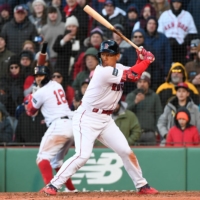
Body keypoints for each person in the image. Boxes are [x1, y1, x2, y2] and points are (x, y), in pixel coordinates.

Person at [41, 40, 158, 195]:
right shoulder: (103, 71)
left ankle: (142, 185)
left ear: (117, 56)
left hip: (106, 120)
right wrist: (147, 60)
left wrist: (140, 59)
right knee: (83, 156)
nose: (105, 58)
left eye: (109, 55)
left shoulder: (120, 68)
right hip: (87, 118)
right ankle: (53, 185)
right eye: (103, 54)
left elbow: (135, 71)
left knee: (125, 150)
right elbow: (133, 76)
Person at [25, 65, 76, 192]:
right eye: (36, 76)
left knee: (42, 158)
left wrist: (31, 99)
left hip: (58, 126)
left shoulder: (40, 92)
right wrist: (35, 96)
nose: (38, 78)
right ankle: (71, 189)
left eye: (41, 75)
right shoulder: (57, 85)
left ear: (47, 76)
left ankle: (50, 188)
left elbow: (31, 112)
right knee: (56, 162)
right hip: (71, 125)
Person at [126, 71, 162, 145]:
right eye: (139, 82)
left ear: (148, 83)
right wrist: (135, 102)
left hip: (150, 133)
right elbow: (125, 113)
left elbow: (158, 114)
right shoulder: (131, 96)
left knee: (151, 156)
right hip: (134, 133)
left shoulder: (154, 96)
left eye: (145, 81)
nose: (142, 84)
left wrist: (156, 130)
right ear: (136, 83)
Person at [158, 0, 198, 64]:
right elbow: (159, 33)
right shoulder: (164, 15)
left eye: (178, 2)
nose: (176, 4)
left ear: (181, 3)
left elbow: (193, 32)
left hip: (181, 48)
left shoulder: (187, 15)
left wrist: (185, 42)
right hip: (167, 46)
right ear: (171, 3)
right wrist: (167, 41)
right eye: (174, 2)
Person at [144, 16, 172, 89]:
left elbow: (168, 56)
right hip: (144, 72)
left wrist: (166, 72)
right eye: (150, 23)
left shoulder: (163, 38)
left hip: (159, 73)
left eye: (154, 24)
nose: (151, 25)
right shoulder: (141, 36)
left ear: (157, 26)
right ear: (146, 25)